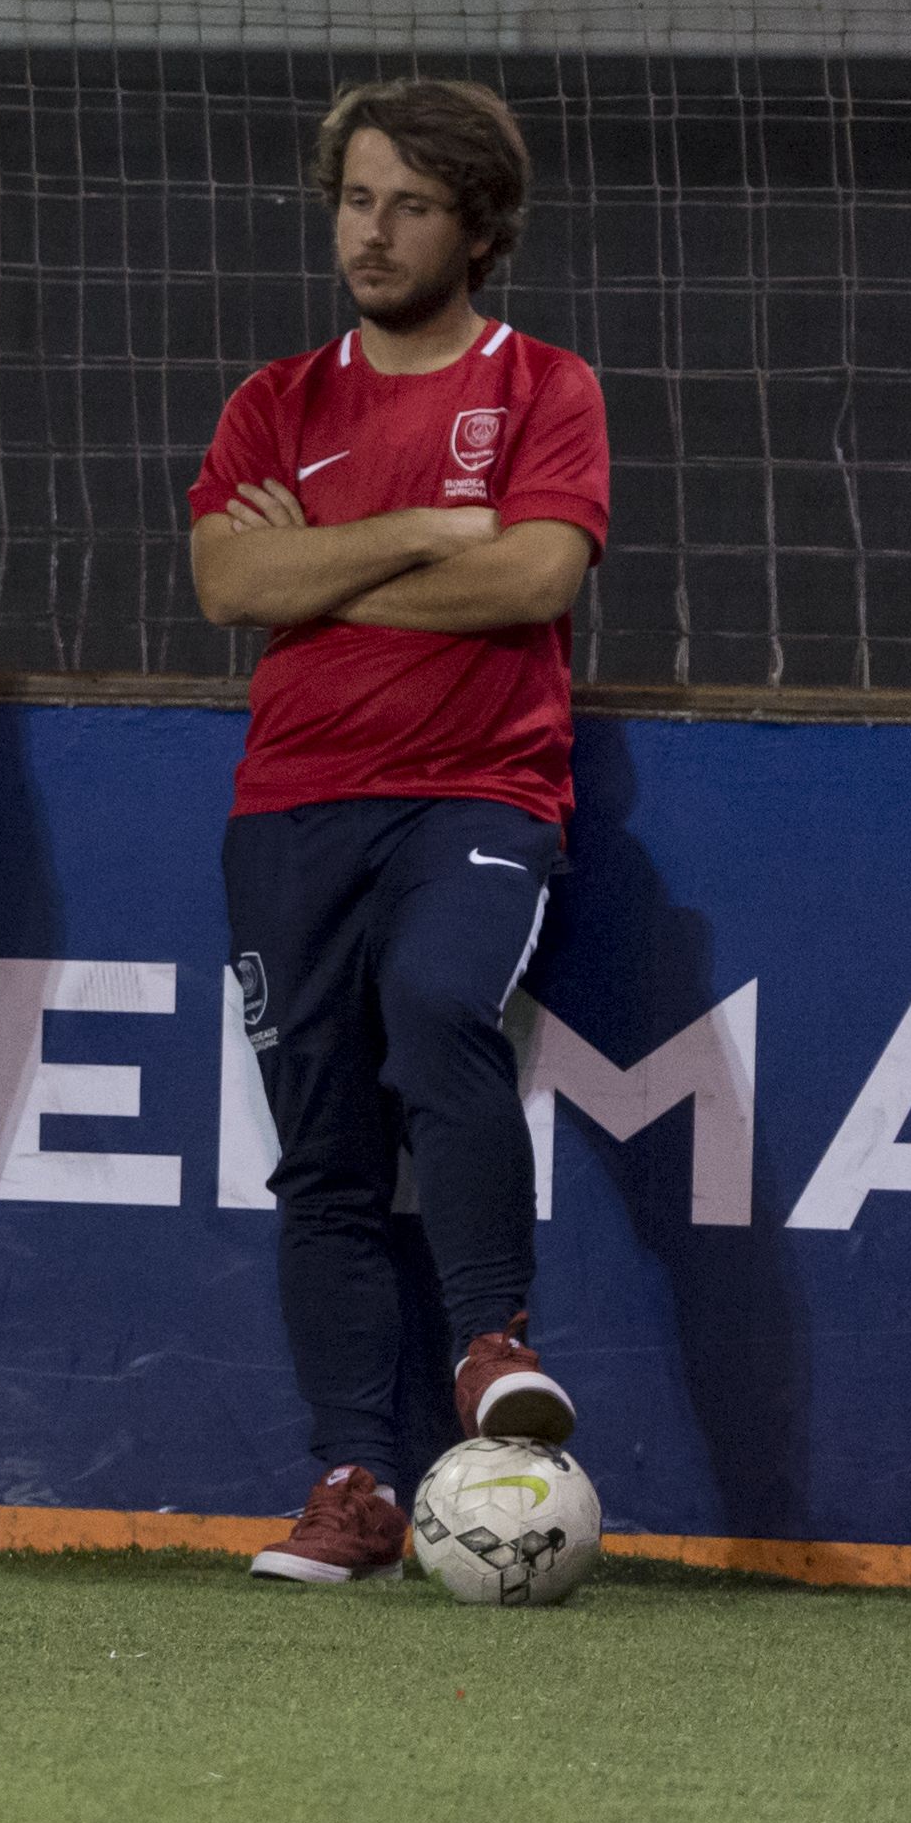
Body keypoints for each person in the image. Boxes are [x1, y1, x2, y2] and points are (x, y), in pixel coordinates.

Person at [187, 82, 603, 1582]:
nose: (372, 230)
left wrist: (318, 568)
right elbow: (229, 589)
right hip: (291, 807)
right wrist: (435, 529)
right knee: (325, 1160)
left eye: (410, 204)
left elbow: (537, 580)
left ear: (477, 226)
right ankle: (353, 1482)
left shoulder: (546, 385)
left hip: (478, 794)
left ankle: (493, 1345)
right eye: (357, 199)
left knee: (438, 1005)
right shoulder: (276, 401)